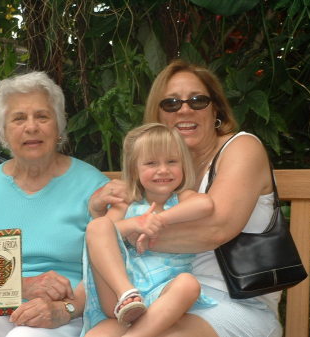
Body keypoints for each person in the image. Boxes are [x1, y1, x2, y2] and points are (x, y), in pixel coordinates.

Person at [85, 59, 283, 337]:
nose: (185, 109)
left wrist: (125, 235)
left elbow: (216, 229)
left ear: (216, 109)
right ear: (158, 115)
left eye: (197, 100)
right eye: (172, 103)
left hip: (235, 299)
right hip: (156, 291)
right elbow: (105, 235)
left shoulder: (241, 148)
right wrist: (101, 220)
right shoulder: (158, 170)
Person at [0, 71, 123, 337]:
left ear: (58, 127)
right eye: (19, 118)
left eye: (42, 116)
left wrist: (67, 308)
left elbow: (113, 265)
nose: (31, 127)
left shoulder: (93, 187)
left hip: (66, 310)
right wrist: (24, 286)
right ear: (3, 130)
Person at [83, 123, 217, 336]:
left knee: (188, 284)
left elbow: (205, 205)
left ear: (183, 165)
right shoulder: (127, 203)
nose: (163, 170)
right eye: (151, 163)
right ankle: (128, 295)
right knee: (98, 225)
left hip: (162, 294)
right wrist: (136, 224)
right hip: (118, 294)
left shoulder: (182, 199)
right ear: (135, 169)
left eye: (172, 162)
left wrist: (159, 220)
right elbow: (102, 232)